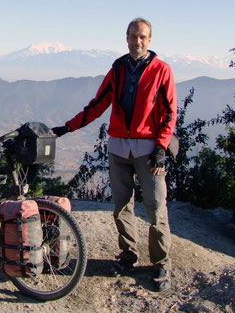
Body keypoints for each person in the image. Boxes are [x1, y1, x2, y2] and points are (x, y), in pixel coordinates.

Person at [52, 18, 177, 292]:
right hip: (118, 148)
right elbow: (97, 105)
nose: (137, 41)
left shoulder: (161, 70)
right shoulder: (118, 69)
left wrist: (161, 148)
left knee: (156, 209)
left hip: (148, 151)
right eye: (133, 36)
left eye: (143, 37)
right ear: (126, 38)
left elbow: (169, 114)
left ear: (149, 40)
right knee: (122, 207)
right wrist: (67, 127)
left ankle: (161, 264)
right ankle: (128, 256)